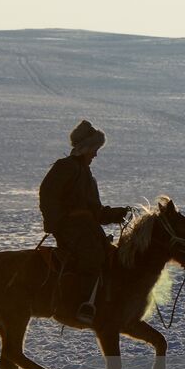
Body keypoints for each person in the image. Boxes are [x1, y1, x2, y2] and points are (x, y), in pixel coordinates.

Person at [38, 120, 128, 323]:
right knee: (93, 257)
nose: (95, 155)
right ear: (85, 148)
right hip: (71, 230)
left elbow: (94, 211)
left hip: (86, 229)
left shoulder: (86, 174)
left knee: (110, 256)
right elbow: (48, 195)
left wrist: (116, 214)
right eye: (94, 149)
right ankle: (77, 305)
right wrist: (57, 225)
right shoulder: (65, 167)